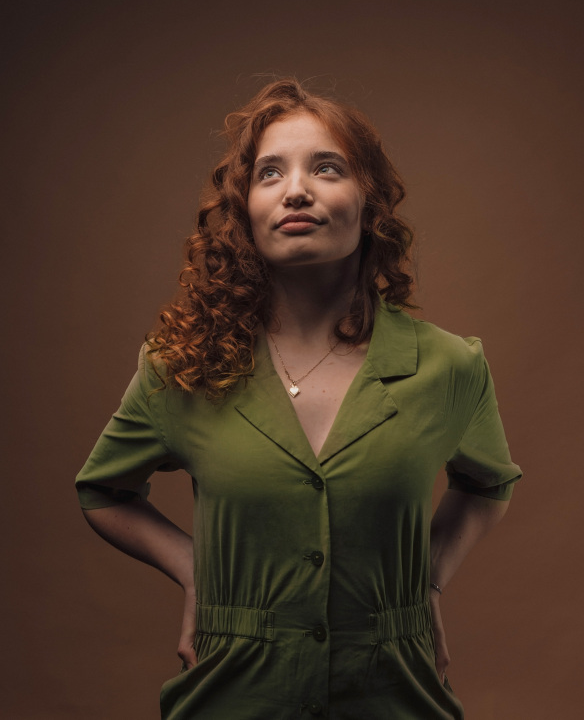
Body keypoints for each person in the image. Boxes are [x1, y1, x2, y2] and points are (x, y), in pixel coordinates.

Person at [76, 77, 522, 719]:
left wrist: (424, 581)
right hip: (231, 694)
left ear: (370, 204)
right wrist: (196, 571)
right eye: (269, 174)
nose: (297, 190)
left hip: (395, 695)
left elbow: (487, 484)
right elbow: (103, 490)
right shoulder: (181, 367)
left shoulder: (451, 366)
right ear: (245, 211)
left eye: (327, 168)